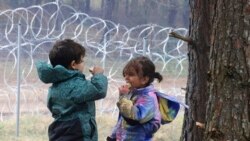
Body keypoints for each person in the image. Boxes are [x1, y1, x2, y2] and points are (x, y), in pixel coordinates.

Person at [35, 39, 108, 141]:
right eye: (82, 61)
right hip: (78, 134)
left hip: (59, 133)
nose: (83, 63)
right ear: (73, 64)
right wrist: (98, 75)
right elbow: (99, 90)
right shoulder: (75, 86)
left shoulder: (56, 85)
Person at [107, 56, 163, 141]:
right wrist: (113, 137)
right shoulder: (133, 93)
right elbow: (123, 119)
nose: (126, 78)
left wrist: (123, 97)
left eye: (131, 75)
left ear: (144, 79)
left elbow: (133, 118)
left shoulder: (149, 98)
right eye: (125, 74)